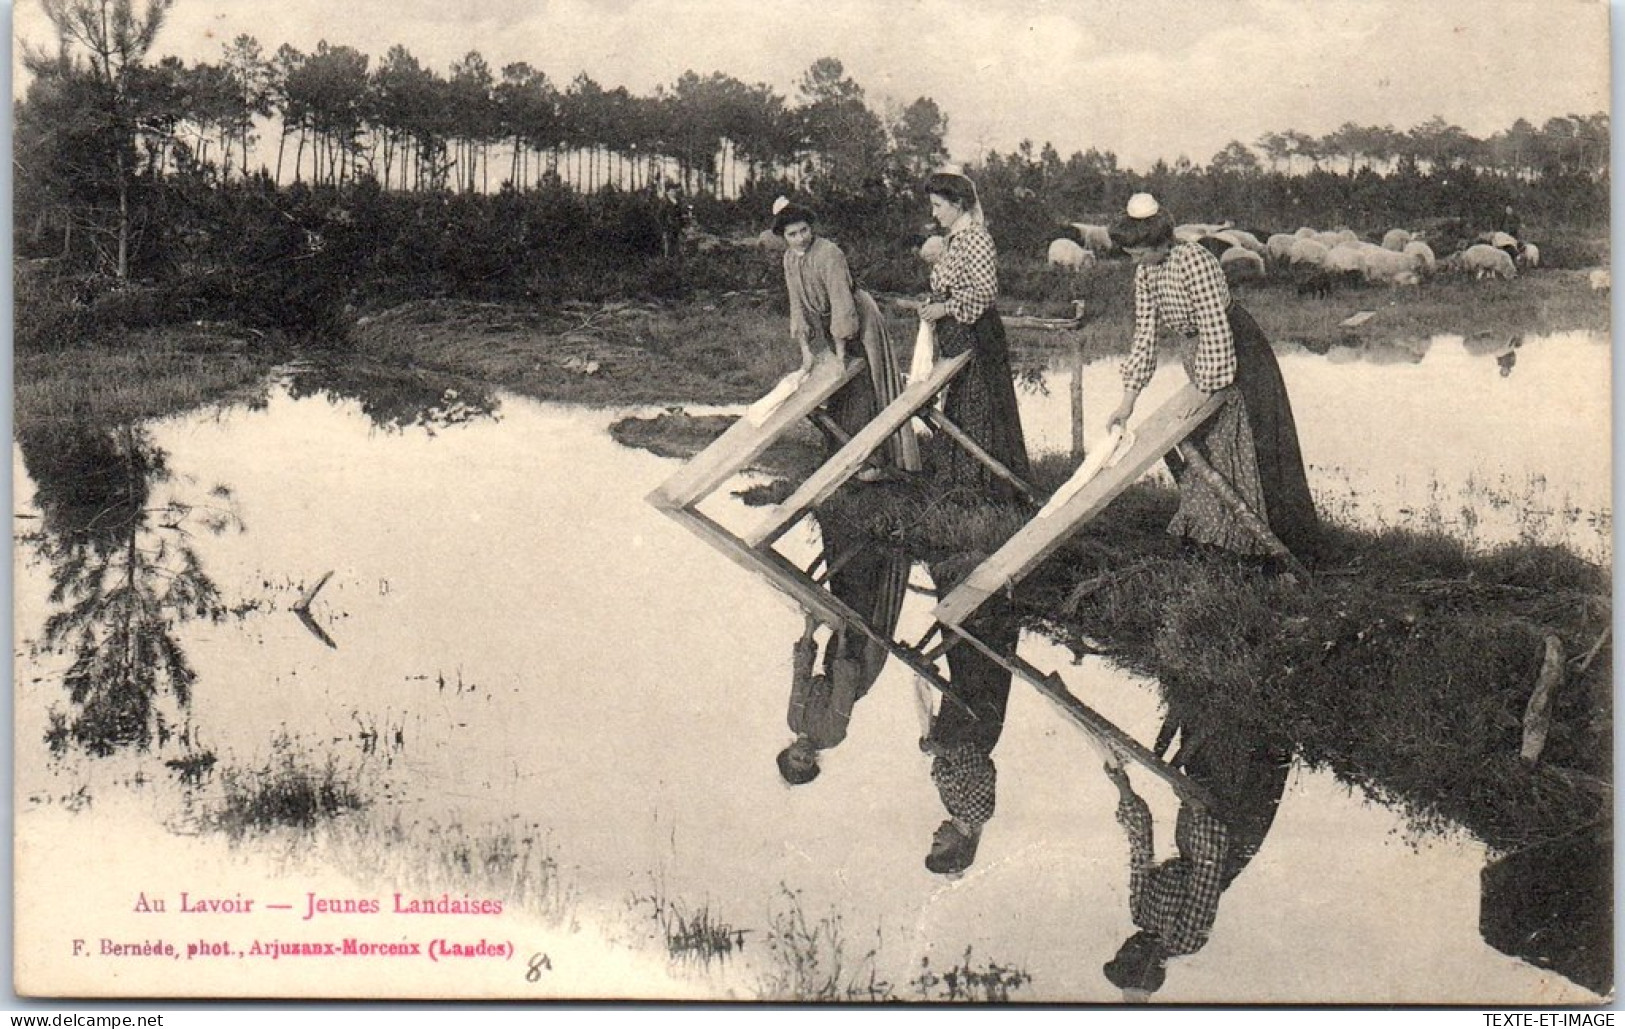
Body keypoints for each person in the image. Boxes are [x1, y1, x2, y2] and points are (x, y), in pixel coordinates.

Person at [1105, 193, 1319, 561]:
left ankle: (1265, 546)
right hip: (1200, 358)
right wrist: (1127, 401)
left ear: (1158, 241)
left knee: (1246, 443)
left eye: (1139, 252)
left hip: (1239, 354)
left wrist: (1204, 389)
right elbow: (1144, 336)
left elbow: (1215, 329)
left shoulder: (1195, 261)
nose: (1135, 260)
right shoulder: (1146, 272)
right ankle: (1219, 535)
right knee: (1210, 444)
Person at [1103, 692, 1292, 1001]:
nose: (1124, 946)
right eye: (1126, 956)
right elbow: (1208, 871)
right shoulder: (1185, 940)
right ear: (1145, 964)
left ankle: (1215, 683)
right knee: (1253, 733)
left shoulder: (1140, 914)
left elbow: (1140, 851)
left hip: (1195, 829)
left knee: (1206, 734)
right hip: (1230, 836)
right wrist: (1196, 807)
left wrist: (1124, 790)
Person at [773, 197, 920, 476]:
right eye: (792, 234)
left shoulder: (829, 254)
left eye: (804, 230)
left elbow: (842, 304)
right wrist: (806, 352)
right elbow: (798, 307)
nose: (800, 238)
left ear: (811, 228)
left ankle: (873, 459)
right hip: (831, 324)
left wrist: (841, 355)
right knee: (839, 389)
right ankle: (841, 453)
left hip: (859, 320)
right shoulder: (789, 259)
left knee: (864, 382)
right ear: (783, 237)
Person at [916, 171, 1031, 501]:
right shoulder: (956, 238)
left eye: (938, 206)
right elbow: (953, 284)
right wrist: (935, 304)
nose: (934, 213)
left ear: (958, 204)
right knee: (962, 405)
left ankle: (988, 488)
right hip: (960, 336)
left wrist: (945, 308)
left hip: (979, 335)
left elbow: (985, 293)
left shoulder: (977, 238)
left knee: (982, 407)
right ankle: (961, 483)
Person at [777, 513, 911, 785]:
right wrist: (843, 637)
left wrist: (809, 630)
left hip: (835, 659)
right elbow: (843, 689)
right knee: (865, 606)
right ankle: (890, 530)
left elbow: (800, 676)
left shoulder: (794, 720)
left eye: (795, 758)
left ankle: (852, 522)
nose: (803, 755)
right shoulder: (831, 736)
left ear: (787, 751)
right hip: (859, 665)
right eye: (807, 762)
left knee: (844, 596)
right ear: (815, 762)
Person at [918, 556, 1019, 876]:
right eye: (938, 844)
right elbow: (979, 766)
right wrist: (941, 751)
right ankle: (982, 571)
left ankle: (957, 571)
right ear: (957, 844)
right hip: (977, 720)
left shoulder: (955, 807)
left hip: (963, 717)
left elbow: (947, 765)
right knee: (975, 646)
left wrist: (934, 745)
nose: (934, 836)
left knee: (960, 648)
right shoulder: (977, 813)